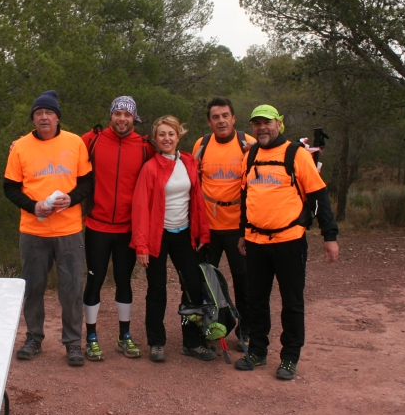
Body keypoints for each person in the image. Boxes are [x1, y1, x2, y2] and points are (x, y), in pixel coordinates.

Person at [235, 105, 339, 380]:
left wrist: (329, 236)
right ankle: (257, 351)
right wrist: (243, 231)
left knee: (291, 302)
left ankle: (290, 357)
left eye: (267, 123)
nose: (261, 128)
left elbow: (318, 197)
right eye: (257, 123)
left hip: (289, 241)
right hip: (256, 241)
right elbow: (246, 197)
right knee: (256, 300)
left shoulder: (296, 154)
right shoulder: (250, 156)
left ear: (279, 124)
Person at [3, 90, 93, 367]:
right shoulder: (20, 147)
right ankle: (34, 338)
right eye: (39, 113)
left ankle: (73, 343)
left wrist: (72, 198)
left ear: (57, 118)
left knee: (72, 289)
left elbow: (87, 182)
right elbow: (10, 188)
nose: (44, 117)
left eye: (49, 112)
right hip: (34, 231)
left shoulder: (75, 142)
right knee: (33, 288)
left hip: (69, 231)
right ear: (33, 119)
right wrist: (33, 206)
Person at [131, 115, 213, 362]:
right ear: (155, 139)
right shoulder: (150, 168)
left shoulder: (189, 162)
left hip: (184, 233)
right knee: (157, 289)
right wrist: (141, 245)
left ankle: (192, 341)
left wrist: (202, 232)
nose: (167, 138)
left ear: (178, 136)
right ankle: (156, 342)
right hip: (159, 235)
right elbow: (140, 208)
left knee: (192, 287)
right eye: (162, 134)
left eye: (171, 134)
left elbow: (197, 201)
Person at [80, 96, 155, 361]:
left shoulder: (145, 146)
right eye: (118, 113)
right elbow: (60, 148)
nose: (122, 118)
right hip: (97, 226)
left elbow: (170, 159)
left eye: (127, 114)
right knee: (95, 280)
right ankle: (91, 337)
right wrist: (21, 143)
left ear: (135, 118)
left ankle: (124, 335)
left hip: (127, 229)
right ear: (110, 115)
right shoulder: (92, 140)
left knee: (124, 281)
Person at [192, 96, 255, 351]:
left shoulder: (248, 143)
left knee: (244, 281)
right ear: (209, 122)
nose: (221, 121)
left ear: (234, 118)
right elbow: (194, 181)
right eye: (215, 117)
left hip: (239, 227)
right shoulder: (202, 144)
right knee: (206, 281)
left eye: (225, 116)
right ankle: (209, 328)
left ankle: (245, 330)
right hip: (209, 227)